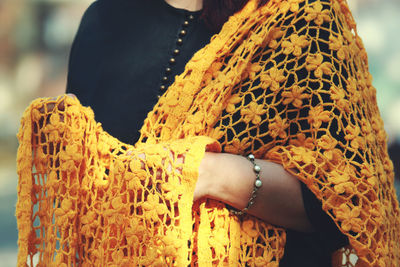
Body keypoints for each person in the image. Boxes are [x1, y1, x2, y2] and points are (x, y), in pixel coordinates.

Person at [15, 0, 400, 266]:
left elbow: (348, 205)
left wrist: (208, 174)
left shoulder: (304, 20)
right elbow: (80, 211)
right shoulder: (104, 21)